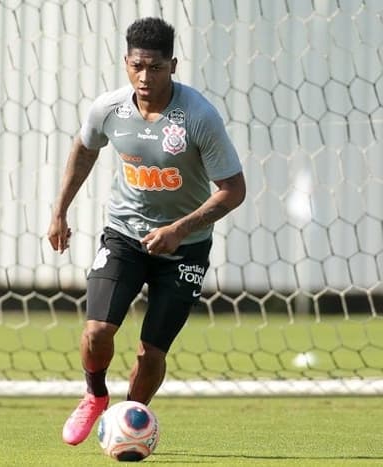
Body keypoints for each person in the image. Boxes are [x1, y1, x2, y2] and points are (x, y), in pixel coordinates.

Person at [47, 17, 246, 446]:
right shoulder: (109, 109)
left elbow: (233, 191)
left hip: (185, 249)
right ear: (126, 63)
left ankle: (129, 421)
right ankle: (95, 396)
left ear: (172, 65)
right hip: (124, 236)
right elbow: (84, 147)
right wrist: (60, 211)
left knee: (150, 352)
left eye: (155, 67)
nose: (144, 76)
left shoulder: (198, 117)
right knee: (97, 331)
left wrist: (179, 229)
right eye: (137, 66)